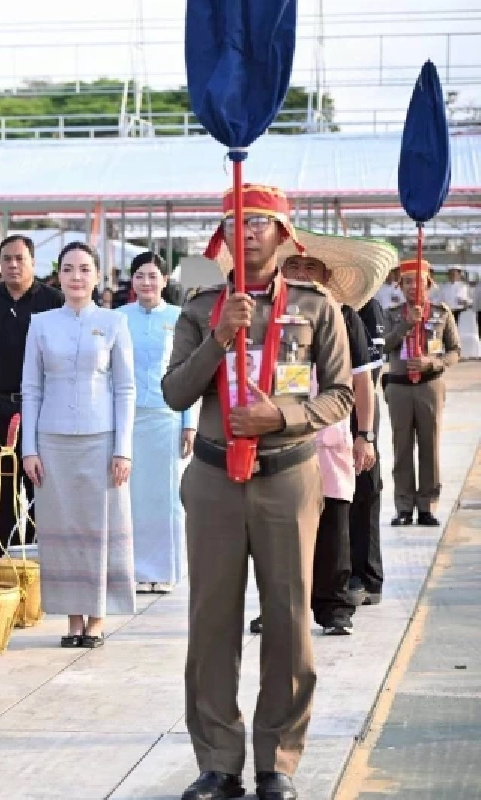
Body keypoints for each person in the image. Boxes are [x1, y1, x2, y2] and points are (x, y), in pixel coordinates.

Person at [162, 185, 352, 800]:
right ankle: (218, 761)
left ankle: (279, 763)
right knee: (211, 623)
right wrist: (219, 338)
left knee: (291, 622)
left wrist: (284, 419)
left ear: (284, 234)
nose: (247, 232)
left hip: (288, 479)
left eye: (260, 222)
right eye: (234, 223)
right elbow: (174, 393)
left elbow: (340, 394)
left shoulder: (315, 306)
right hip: (215, 481)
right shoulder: (202, 306)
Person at [277, 236, 393, 636]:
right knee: (281, 525)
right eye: (294, 268)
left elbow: (363, 382)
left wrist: (366, 434)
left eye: (312, 269)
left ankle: (334, 607)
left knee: (334, 526)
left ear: (327, 277)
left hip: (331, 433)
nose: (302, 276)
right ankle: (281, 607)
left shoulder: (345, 316)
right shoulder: (268, 315)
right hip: (281, 432)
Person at [22, 242, 134, 648]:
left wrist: (123, 448)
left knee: (98, 528)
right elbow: (31, 388)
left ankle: (97, 619)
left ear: (97, 275)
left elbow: (125, 388)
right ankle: (72, 620)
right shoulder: (41, 323)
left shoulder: (114, 323)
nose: (76, 277)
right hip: (52, 441)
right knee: (61, 529)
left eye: (84, 269)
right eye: (68, 269)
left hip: (101, 439)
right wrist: (28, 449)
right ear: (58, 275)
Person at [0, 234, 63, 556]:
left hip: (40, 409)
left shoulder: (53, 301)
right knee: (2, 491)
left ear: (33, 263)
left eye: (19, 258)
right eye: (7, 259)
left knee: (40, 489)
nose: (13, 265)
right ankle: (4, 566)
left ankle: (42, 568)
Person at [116, 252, 195, 593]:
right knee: (130, 495)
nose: (146, 282)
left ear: (164, 280)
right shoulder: (118, 318)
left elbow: (191, 373)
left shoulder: (181, 319)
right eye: (140, 276)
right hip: (129, 417)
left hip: (167, 416)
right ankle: (132, 568)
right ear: (131, 282)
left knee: (167, 496)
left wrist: (189, 422)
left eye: (153, 276)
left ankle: (165, 570)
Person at [382, 258, 461, 527]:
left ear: (428, 284)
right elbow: (383, 345)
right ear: (400, 285)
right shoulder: (391, 313)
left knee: (430, 446)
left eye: (418, 281)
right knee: (401, 447)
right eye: (406, 282)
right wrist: (405, 324)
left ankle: (427, 505)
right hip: (399, 386)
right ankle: (403, 505)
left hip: (429, 385)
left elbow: (455, 351)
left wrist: (433, 362)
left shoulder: (442, 312)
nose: (413, 287)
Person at [348, 292, 388, 607]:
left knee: (364, 490)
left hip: (356, 408)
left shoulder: (364, 306)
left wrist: (366, 430)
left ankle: (366, 575)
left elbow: (370, 369)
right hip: (309, 413)